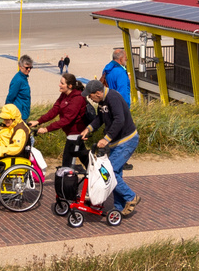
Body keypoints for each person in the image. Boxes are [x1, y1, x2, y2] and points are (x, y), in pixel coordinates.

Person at [83, 78, 138, 217]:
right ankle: (119, 208)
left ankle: (130, 197)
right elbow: (100, 119)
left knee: (109, 173)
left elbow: (120, 120)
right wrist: (88, 129)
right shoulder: (102, 102)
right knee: (116, 173)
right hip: (116, 142)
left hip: (126, 140)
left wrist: (106, 139)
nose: (90, 99)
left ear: (98, 93)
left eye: (90, 96)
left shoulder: (113, 98)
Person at [33, 72, 91, 168]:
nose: (59, 85)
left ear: (70, 86)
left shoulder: (78, 99)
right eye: (60, 82)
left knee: (67, 161)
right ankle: (96, 174)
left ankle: (67, 179)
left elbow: (66, 120)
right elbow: (54, 110)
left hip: (75, 133)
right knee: (84, 156)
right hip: (70, 133)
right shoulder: (64, 95)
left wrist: (47, 129)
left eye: (62, 83)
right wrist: (39, 121)